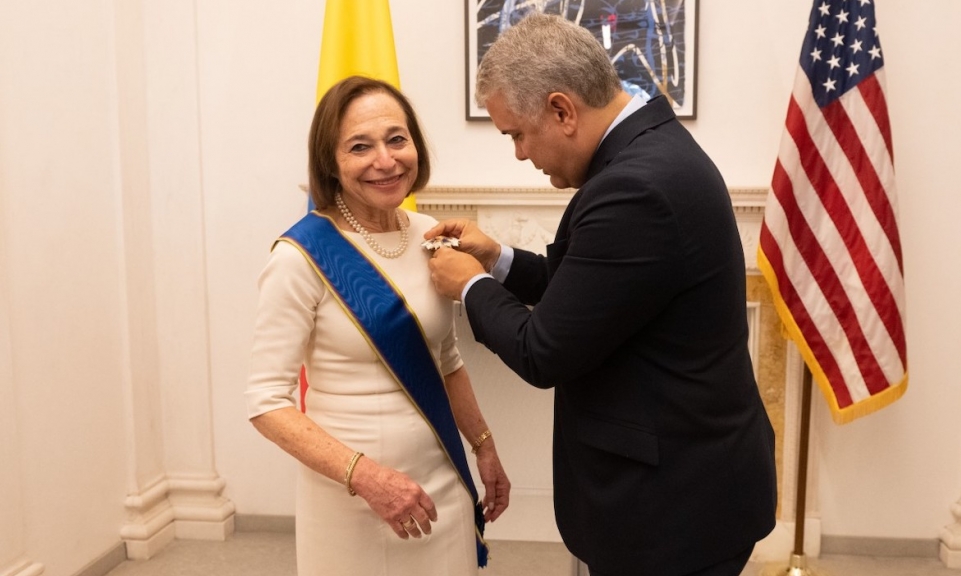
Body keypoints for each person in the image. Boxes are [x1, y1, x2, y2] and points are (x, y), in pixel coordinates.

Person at [426, 13, 776, 576]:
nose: (518, 153)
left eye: (516, 132)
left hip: (672, 511)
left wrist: (468, 284)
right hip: (692, 485)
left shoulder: (635, 187)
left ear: (562, 110)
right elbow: (590, 293)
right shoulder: (649, 150)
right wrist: (496, 258)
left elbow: (543, 350)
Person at [246, 76, 509, 576]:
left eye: (396, 139)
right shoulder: (299, 258)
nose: (385, 160)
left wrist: (485, 448)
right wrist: (367, 478)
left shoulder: (430, 235)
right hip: (354, 499)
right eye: (359, 147)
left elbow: (447, 362)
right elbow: (266, 402)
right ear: (331, 163)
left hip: (442, 483)